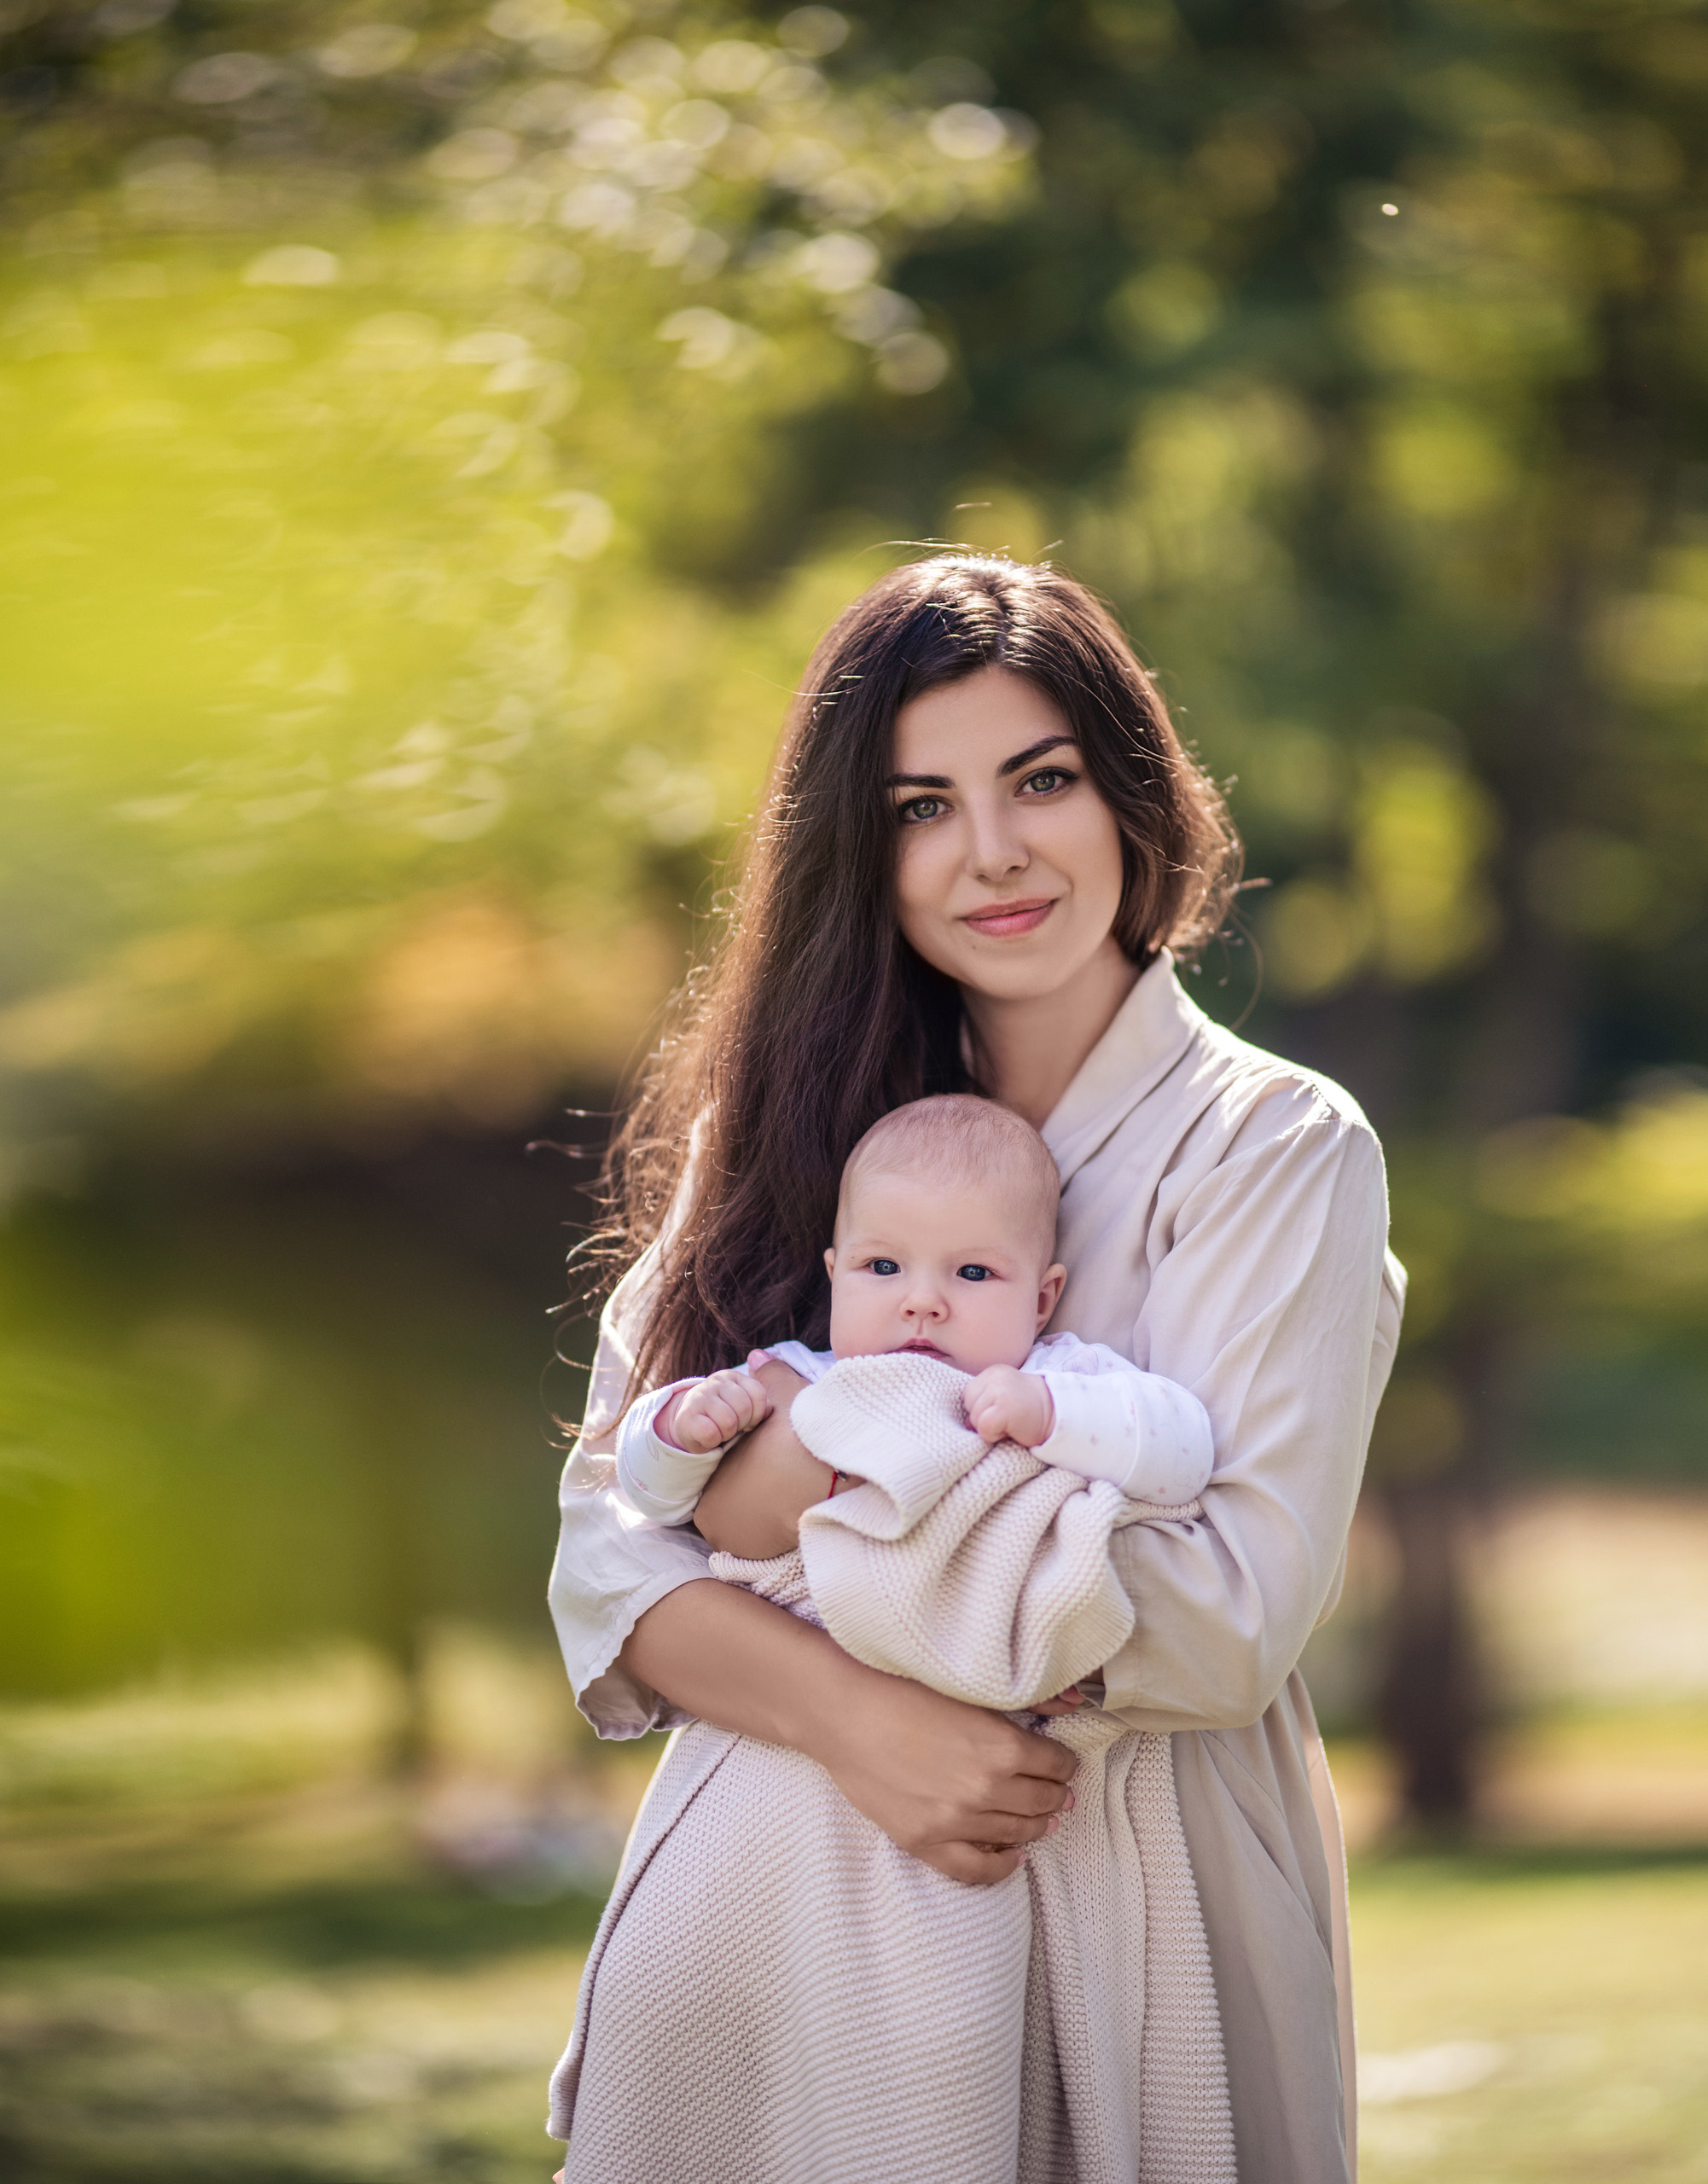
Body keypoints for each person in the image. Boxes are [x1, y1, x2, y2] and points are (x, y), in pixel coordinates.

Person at [549, 555, 1405, 2183]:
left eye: (1042, 781)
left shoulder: (1272, 1147)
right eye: (919, 807)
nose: (993, 853)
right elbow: (599, 1560)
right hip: (771, 1900)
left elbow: (1225, 1619)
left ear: (1131, 794)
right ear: (859, 856)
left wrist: (793, 1476)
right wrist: (861, 1722)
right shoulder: (775, 1135)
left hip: (1116, 1871)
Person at [612, 1095, 1216, 1541]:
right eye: (882, 1267)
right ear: (833, 1275)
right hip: (818, 1668)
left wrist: (1050, 1413)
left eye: (973, 1273)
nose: (922, 1302)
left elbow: (1185, 1457)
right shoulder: (800, 1382)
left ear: (1040, 1301)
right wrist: (680, 1427)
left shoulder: (1058, 1376)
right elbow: (652, 1502)